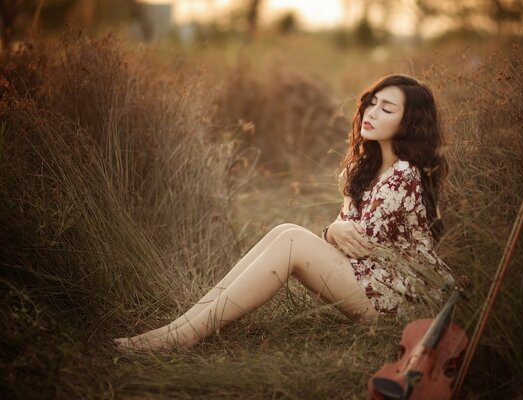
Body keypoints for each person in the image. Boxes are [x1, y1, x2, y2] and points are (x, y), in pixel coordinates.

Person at [113, 74, 455, 350]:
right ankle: (181, 328)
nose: (372, 112)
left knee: (291, 238)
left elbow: (359, 246)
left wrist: (338, 220)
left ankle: (183, 335)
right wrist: (337, 223)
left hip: (401, 301)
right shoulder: (375, 169)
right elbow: (348, 239)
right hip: (373, 284)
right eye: (373, 102)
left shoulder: (403, 174)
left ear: (408, 122)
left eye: (387, 109)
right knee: (284, 232)